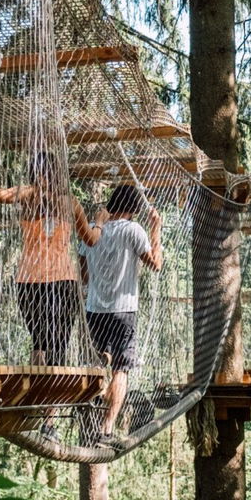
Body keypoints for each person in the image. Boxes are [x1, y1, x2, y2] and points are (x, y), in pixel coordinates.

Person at [0, 144, 95, 363]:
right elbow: (90, 240)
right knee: (57, 344)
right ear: (57, 174)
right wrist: (99, 224)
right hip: (61, 280)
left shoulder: (27, 196)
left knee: (40, 343)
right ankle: (54, 390)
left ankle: (39, 389)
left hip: (30, 280)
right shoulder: (69, 203)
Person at [80, 182, 162, 443]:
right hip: (123, 310)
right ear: (134, 209)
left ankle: (95, 400)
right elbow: (156, 264)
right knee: (121, 370)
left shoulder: (93, 231)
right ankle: (106, 430)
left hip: (94, 309)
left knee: (96, 365)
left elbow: (83, 273)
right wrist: (156, 229)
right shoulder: (133, 230)